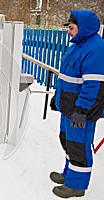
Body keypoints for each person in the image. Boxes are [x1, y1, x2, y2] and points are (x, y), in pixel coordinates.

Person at [50, 10, 104, 198]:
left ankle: (77, 185)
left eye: (71, 28)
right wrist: (57, 97)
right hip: (68, 107)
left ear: (83, 28)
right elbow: (67, 77)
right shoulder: (77, 46)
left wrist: (82, 109)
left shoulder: (96, 48)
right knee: (67, 141)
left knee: (79, 146)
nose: (68, 32)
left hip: (81, 110)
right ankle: (69, 174)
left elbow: (94, 85)